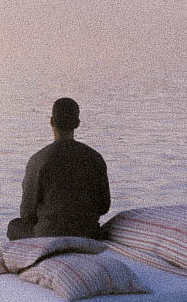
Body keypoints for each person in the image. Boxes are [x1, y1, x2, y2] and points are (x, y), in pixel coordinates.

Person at [6, 97, 110, 241]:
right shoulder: (95, 158)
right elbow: (104, 207)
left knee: (14, 226)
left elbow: (27, 214)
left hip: (47, 236)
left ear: (51, 122)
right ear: (77, 124)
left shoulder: (38, 160)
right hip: (88, 234)